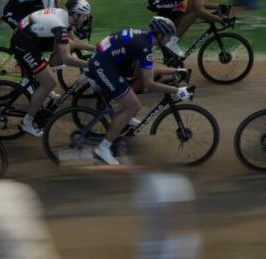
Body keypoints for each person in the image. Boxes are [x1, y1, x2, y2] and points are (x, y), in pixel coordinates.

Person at [82, 17, 191, 165]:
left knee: (134, 86)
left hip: (108, 60)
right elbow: (149, 84)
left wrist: (175, 70)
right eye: (169, 36)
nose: (170, 39)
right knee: (133, 106)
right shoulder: (144, 47)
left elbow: (147, 70)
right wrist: (176, 91)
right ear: (160, 35)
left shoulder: (145, 38)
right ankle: (103, 148)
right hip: (102, 66)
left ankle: (123, 115)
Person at [13, 0, 93, 137]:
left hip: (30, 36)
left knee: (67, 46)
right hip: (24, 45)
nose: (86, 19)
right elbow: (67, 59)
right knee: (50, 82)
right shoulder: (60, 25)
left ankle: (41, 78)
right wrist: (88, 65)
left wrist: (95, 48)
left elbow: (72, 42)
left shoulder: (64, 16)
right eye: (84, 15)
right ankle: (27, 122)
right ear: (75, 15)